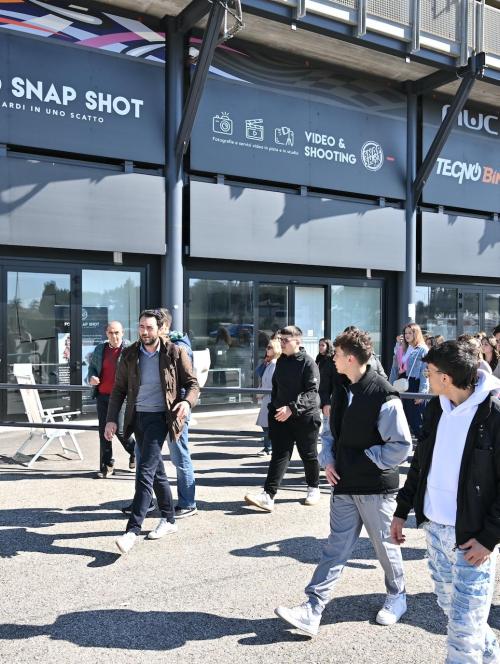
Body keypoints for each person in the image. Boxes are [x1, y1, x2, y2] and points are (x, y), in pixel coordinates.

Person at [274, 329, 412, 636]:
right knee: (335, 548)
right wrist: (329, 460)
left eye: (336, 354)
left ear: (350, 358)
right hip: (345, 484)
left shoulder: (383, 394)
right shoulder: (340, 387)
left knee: (384, 546)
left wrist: (367, 459)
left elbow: (401, 446)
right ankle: (312, 608)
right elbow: (330, 432)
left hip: (376, 488)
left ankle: (397, 595)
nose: (332, 359)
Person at [391, 340, 500, 663]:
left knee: (463, 634)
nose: (425, 377)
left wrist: (489, 538)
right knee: (456, 613)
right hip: (435, 531)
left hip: (472, 539)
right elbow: (420, 463)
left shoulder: (493, 414)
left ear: (446, 377)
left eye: (429, 372)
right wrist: (402, 510)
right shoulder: (436, 408)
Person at [105, 309, 199, 554]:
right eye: (141, 327)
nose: (144, 332)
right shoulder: (129, 354)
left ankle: (132, 531)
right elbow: (119, 389)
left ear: (160, 329)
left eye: (149, 327)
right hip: (138, 418)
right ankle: (169, 519)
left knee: (145, 472)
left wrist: (187, 402)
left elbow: (193, 384)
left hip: (160, 418)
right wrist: (111, 420)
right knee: (157, 473)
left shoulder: (175, 352)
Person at [244, 325, 322, 511]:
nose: (282, 343)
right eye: (280, 340)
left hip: (305, 417)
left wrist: (292, 408)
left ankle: (313, 488)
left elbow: (312, 393)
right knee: (279, 455)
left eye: (285, 340)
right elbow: (276, 389)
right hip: (281, 417)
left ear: (298, 341)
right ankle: (268, 496)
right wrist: (273, 410)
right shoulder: (281, 362)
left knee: (308, 454)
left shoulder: (308, 363)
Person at [87, 321, 135, 478]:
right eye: (110, 333)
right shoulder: (100, 349)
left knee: (120, 430)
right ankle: (107, 466)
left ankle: (135, 452)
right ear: (106, 333)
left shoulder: (130, 349)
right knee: (104, 432)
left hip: (121, 397)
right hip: (102, 396)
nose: (114, 336)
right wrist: (91, 377)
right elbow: (92, 368)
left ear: (122, 333)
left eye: (117, 332)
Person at [389, 323, 428, 440]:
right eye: (405, 333)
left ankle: (424, 445)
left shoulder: (422, 349)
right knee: (402, 419)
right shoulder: (403, 348)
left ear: (416, 334)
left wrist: (422, 392)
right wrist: (390, 387)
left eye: (410, 333)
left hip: (414, 384)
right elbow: (395, 368)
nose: (407, 335)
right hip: (401, 383)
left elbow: (425, 373)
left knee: (415, 420)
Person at [255, 338, 281, 455]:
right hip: (266, 398)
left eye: (269, 347)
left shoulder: (274, 364)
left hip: (270, 398)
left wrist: (261, 392)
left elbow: (271, 383)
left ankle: (268, 447)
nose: (267, 349)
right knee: (266, 424)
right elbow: (260, 375)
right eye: (267, 347)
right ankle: (269, 447)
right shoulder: (269, 363)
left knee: (268, 425)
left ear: (275, 349)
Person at [315, 338, 335, 450]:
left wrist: (328, 401)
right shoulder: (319, 359)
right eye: (319, 345)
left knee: (327, 428)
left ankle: (327, 454)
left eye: (323, 345)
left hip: (327, 397)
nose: (320, 347)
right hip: (318, 395)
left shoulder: (331, 360)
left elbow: (330, 382)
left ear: (328, 346)